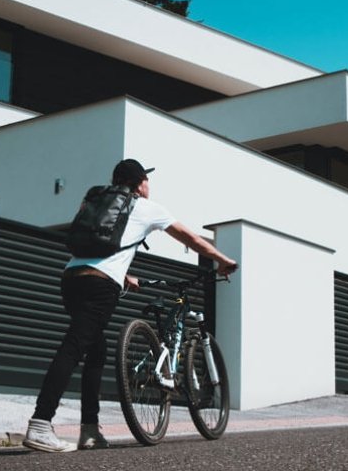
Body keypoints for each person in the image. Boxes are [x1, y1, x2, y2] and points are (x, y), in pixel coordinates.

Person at [23, 158, 238, 453]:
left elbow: (96, 246)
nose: (149, 185)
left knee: (96, 350)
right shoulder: (147, 208)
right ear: (139, 183)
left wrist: (123, 275)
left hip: (71, 278)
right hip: (101, 286)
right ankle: (40, 423)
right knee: (73, 347)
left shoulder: (99, 200)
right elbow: (189, 237)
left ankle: (90, 430)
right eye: (146, 180)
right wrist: (222, 259)